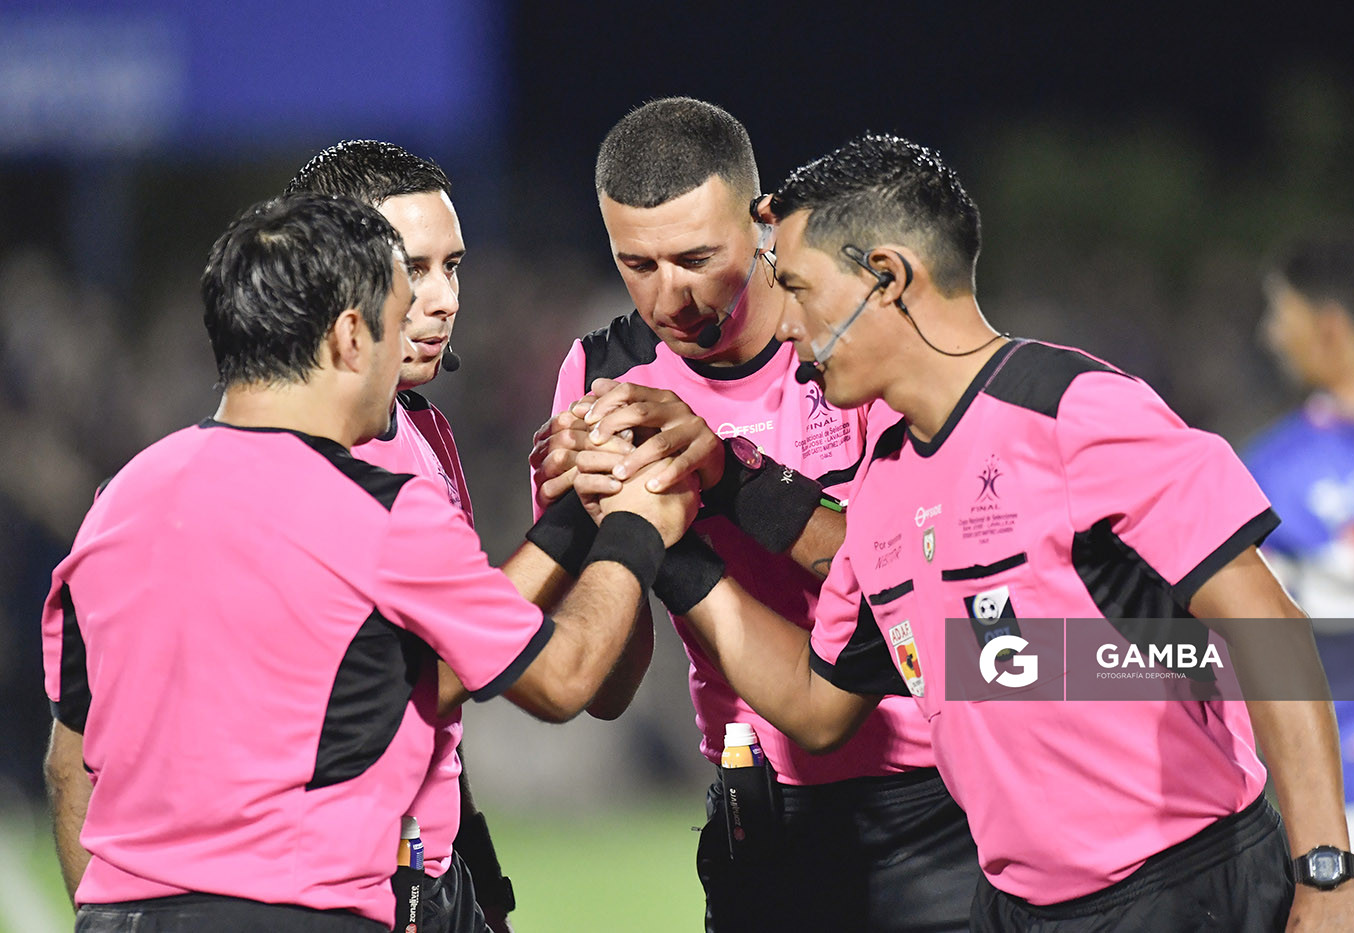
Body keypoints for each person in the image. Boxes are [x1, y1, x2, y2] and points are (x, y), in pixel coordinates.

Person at [630, 132, 1354, 931]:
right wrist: (666, 550)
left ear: (887, 279)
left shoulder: (1076, 410)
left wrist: (1325, 874)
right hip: (1016, 907)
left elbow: (1269, 629)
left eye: (800, 290)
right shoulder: (883, 483)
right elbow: (815, 705)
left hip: (1186, 887)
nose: (785, 330)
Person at [40, 193, 695, 931]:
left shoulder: (115, 504)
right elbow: (565, 677)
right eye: (394, 320)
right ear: (351, 336)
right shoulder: (381, 511)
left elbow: (70, 768)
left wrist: (570, 517)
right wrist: (636, 527)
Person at [529, 98, 978, 932]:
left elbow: (913, 576)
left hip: (937, 796)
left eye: (698, 256)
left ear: (763, 221)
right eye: (638, 263)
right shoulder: (602, 375)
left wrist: (729, 477)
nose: (672, 296)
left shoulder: (851, 338)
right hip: (760, 808)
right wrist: (607, 524)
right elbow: (609, 687)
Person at [284, 139, 511, 933]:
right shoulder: (318, 447)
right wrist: (586, 532)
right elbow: (424, 674)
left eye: (453, 266)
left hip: (435, 872)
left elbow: (434, 716)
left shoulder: (422, 425)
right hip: (353, 888)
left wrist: (475, 871)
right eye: (414, 269)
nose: (444, 298)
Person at [1246, 222, 1354, 928]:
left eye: (1283, 311)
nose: (1272, 335)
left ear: (1331, 327)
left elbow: (1258, 655)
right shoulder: (1268, 465)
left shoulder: (1270, 473)